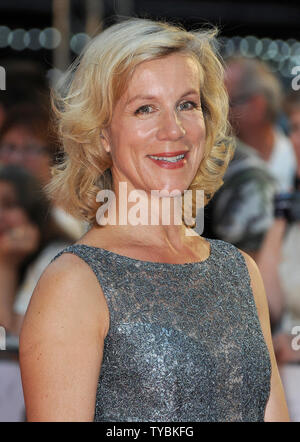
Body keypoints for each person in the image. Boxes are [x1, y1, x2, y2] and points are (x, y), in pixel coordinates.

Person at [19, 18, 289, 422]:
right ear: (102, 133)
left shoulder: (239, 271)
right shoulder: (73, 283)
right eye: (145, 108)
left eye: (187, 104)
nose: (173, 130)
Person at [0, 103, 88, 240]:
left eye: (29, 148)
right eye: (10, 147)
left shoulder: (71, 218)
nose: (16, 158)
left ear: (53, 157)